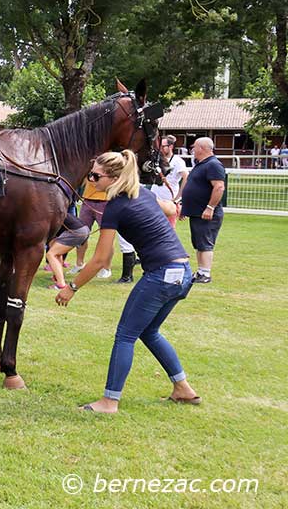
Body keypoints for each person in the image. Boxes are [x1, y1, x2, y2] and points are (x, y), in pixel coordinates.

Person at [55, 150, 200, 414]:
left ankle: (109, 402)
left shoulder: (116, 207)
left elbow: (101, 259)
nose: (90, 180)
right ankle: (183, 389)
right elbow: (168, 207)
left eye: (95, 176)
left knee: (125, 335)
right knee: (148, 331)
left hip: (162, 275)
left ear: (111, 177)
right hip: (183, 272)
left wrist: (71, 287)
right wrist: (168, 209)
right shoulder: (141, 194)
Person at [180, 137, 225, 284]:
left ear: (202, 148)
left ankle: (205, 273)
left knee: (205, 243)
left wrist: (210, 207)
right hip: (197, 212)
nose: (192, 150)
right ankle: (200, 272)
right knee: (199, 242)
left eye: (194, 147)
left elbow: (219, 187)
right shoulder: (201, 164)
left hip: (206, 213)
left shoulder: (213, 164)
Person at [71, 176, 113, 278]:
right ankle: (79, 264)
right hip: (87, 200)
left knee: (106, 236)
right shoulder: (93, 165)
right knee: (81, 234)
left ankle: (106, 268)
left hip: (105, 201)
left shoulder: (108, 164)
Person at [44, 212, 89, 290]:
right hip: (83, 229)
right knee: (56, 253)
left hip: (77, 231)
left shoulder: (46, 215)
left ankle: (61, 284)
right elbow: (52, 244)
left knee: (50, 254)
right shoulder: (53, 211)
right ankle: (58, 277)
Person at [151, 135, 188, 226]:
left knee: (167, 230)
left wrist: (178, 198)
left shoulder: (177, 161)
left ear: (171, 147)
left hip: (168, 202)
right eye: (160, 147)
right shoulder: (157, 160)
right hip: (154, 199)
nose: (161, 149)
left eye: (163, 146)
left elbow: (186, 178)